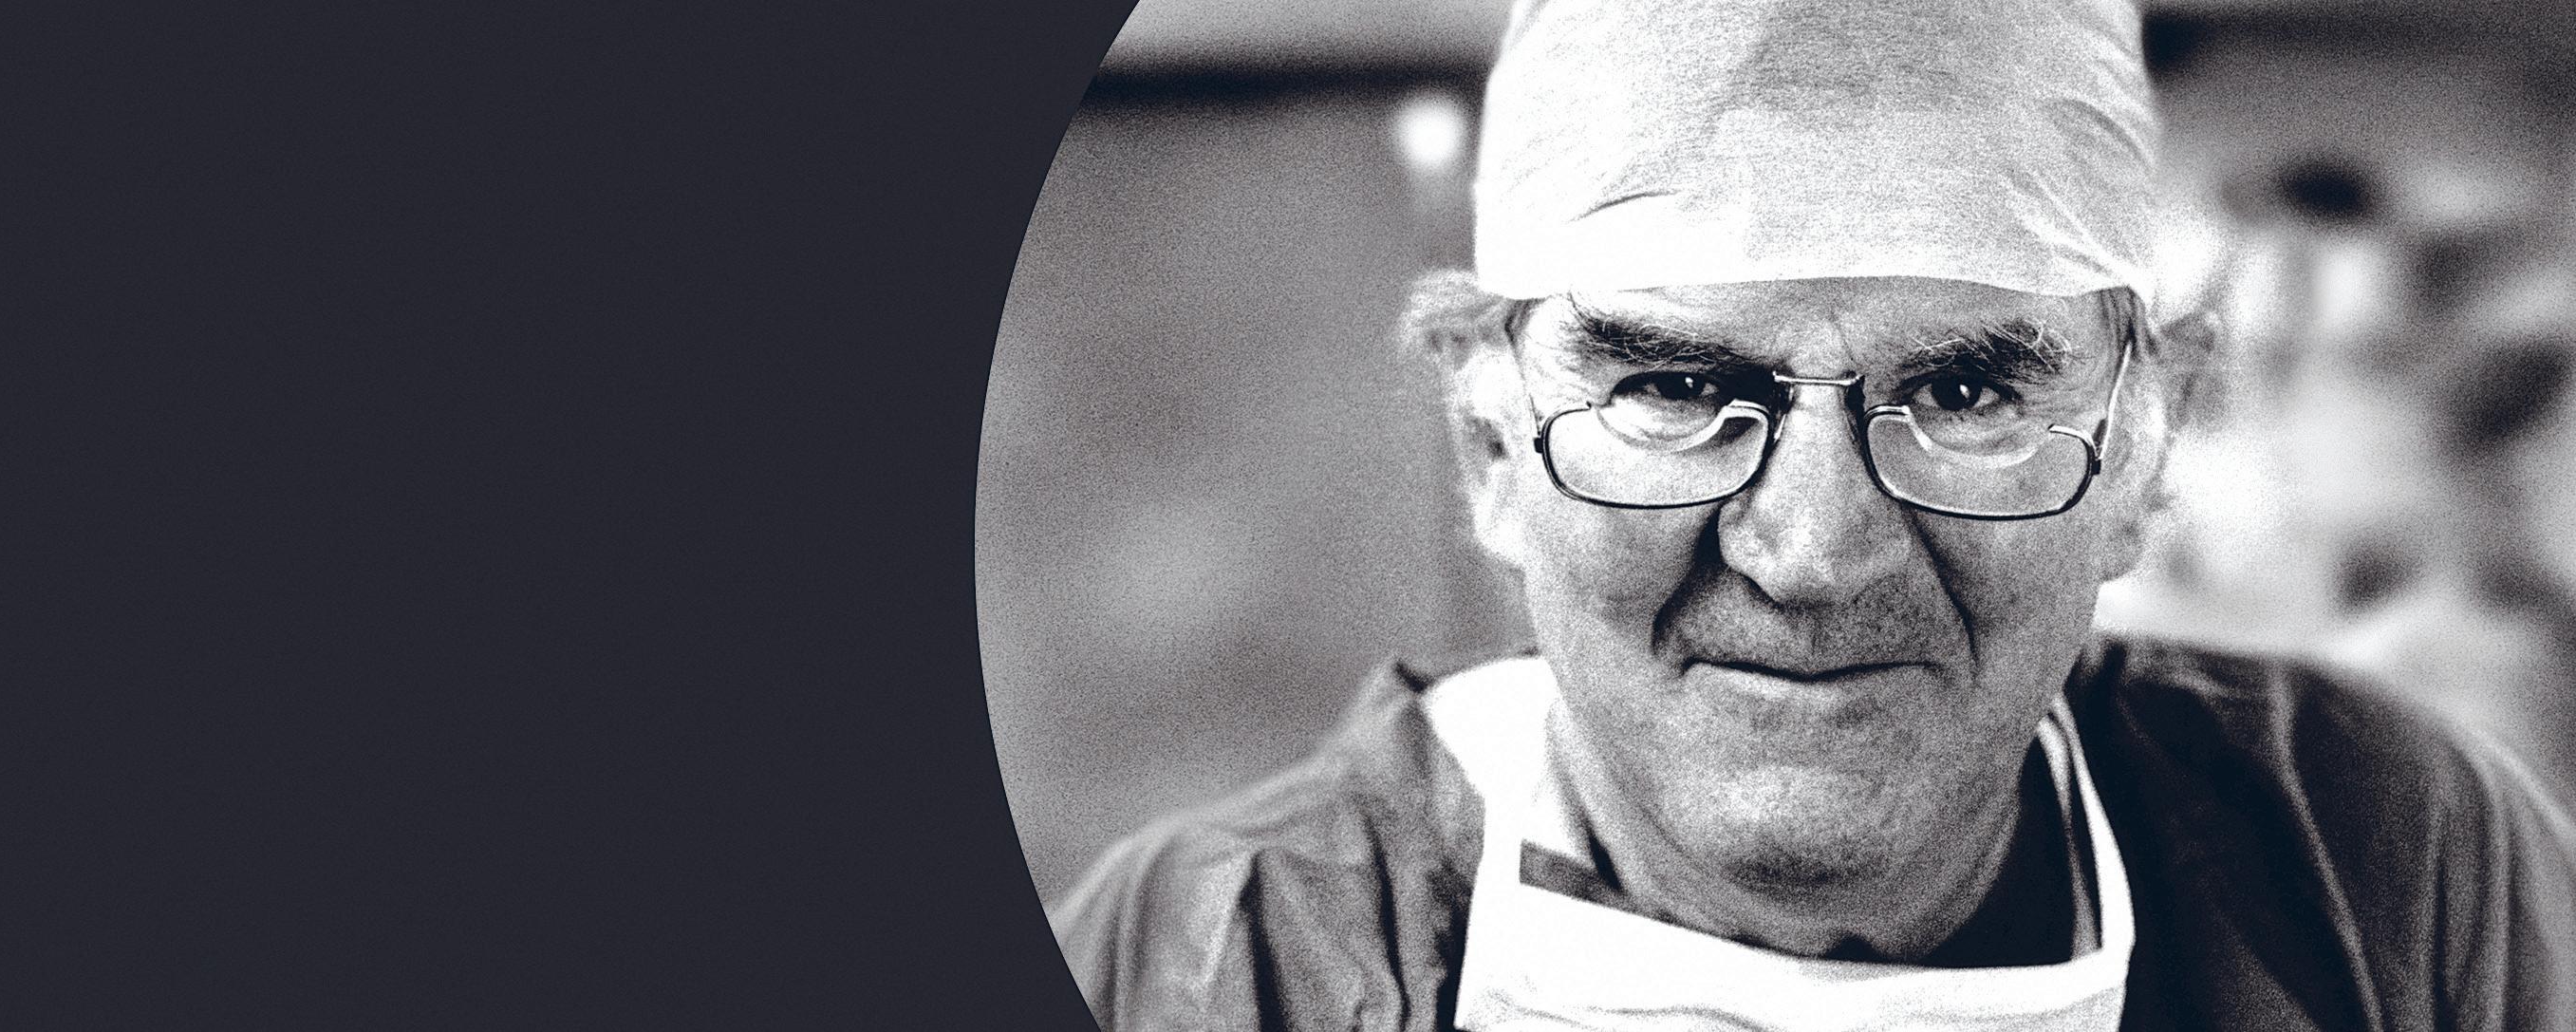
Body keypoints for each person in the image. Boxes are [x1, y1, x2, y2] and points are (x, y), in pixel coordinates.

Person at [1046, 0, 2576, 1028]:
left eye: (1966, 392)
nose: (1815, 555)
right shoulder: (1212, 965)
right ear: (1490, 451)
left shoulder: (2384, 860)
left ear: (2139, 446)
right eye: (1672, 388)